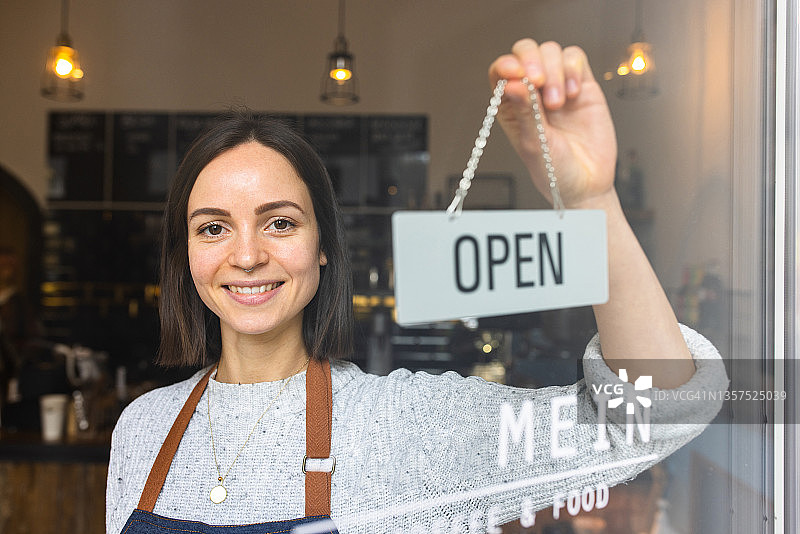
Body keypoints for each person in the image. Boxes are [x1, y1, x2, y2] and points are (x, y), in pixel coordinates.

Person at [106, 40, 727, 534]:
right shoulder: (142, 431)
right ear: (186, 255)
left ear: (322, 249)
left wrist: (593, 200)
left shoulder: (408, 429)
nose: (246, 255)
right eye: (213, 228)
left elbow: (648, 419)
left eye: (279, 222)